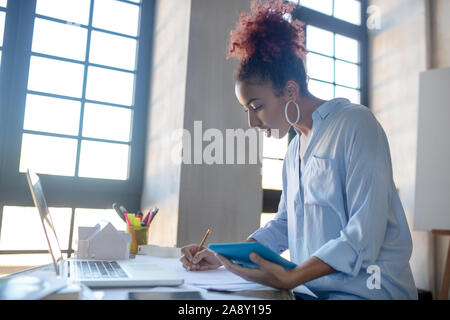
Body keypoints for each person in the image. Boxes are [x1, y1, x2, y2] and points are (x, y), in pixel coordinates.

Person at [180, 0, 417, 300]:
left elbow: (363, 235)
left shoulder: (356, 125)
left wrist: (291, 276)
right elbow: (284, 225)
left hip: (371, 292)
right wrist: (221, 257)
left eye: (257, 107)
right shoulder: (295, 152)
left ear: (290, 91)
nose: (252, 122)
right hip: (313, 292)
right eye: (247, 111)